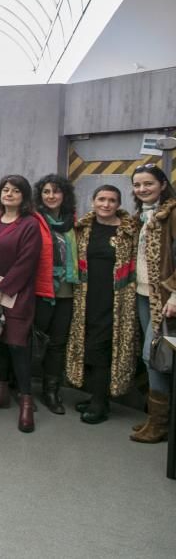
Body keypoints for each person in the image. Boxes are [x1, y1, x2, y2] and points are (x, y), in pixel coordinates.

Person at [65, 185, 138, 424]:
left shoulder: (129, 231)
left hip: (116, 300)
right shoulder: (83, 228)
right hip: (87, 298)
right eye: (101, 199)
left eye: (112, 200)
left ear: (119, 204)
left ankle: (99, 404)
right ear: (93, 201)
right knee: (88, 345)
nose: (106, 205)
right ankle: (98, 397)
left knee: (103, 348)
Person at [0, 175, 43, 433]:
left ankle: (26, 401)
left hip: (18, 293)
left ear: (24, 196)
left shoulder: (30, 224)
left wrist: (2, 290)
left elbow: (27, 262)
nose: (9, 194)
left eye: (15, 191)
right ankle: (0, 391)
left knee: (17, 344)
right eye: (5, 189)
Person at [129, 164, 176, 443]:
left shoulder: (171, 213)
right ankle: (156, 418)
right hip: (143, 294)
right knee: (152, 357)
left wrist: (174, 295)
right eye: (137, 185)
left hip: (164, 298)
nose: (142, 189)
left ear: (162, 184)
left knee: (153, 355)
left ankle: (160, 423)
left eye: (148, 184)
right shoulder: (142, 216)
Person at [32, 173, 78, 415]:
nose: (51, 196)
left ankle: (51, 391)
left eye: (56, 191)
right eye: (46, 191)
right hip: (40, 291)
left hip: (67, 293)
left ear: (64, 195)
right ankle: (24, 388)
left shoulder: (76, 222)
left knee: (58, 344)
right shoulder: (34, 221)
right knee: (34, 340)